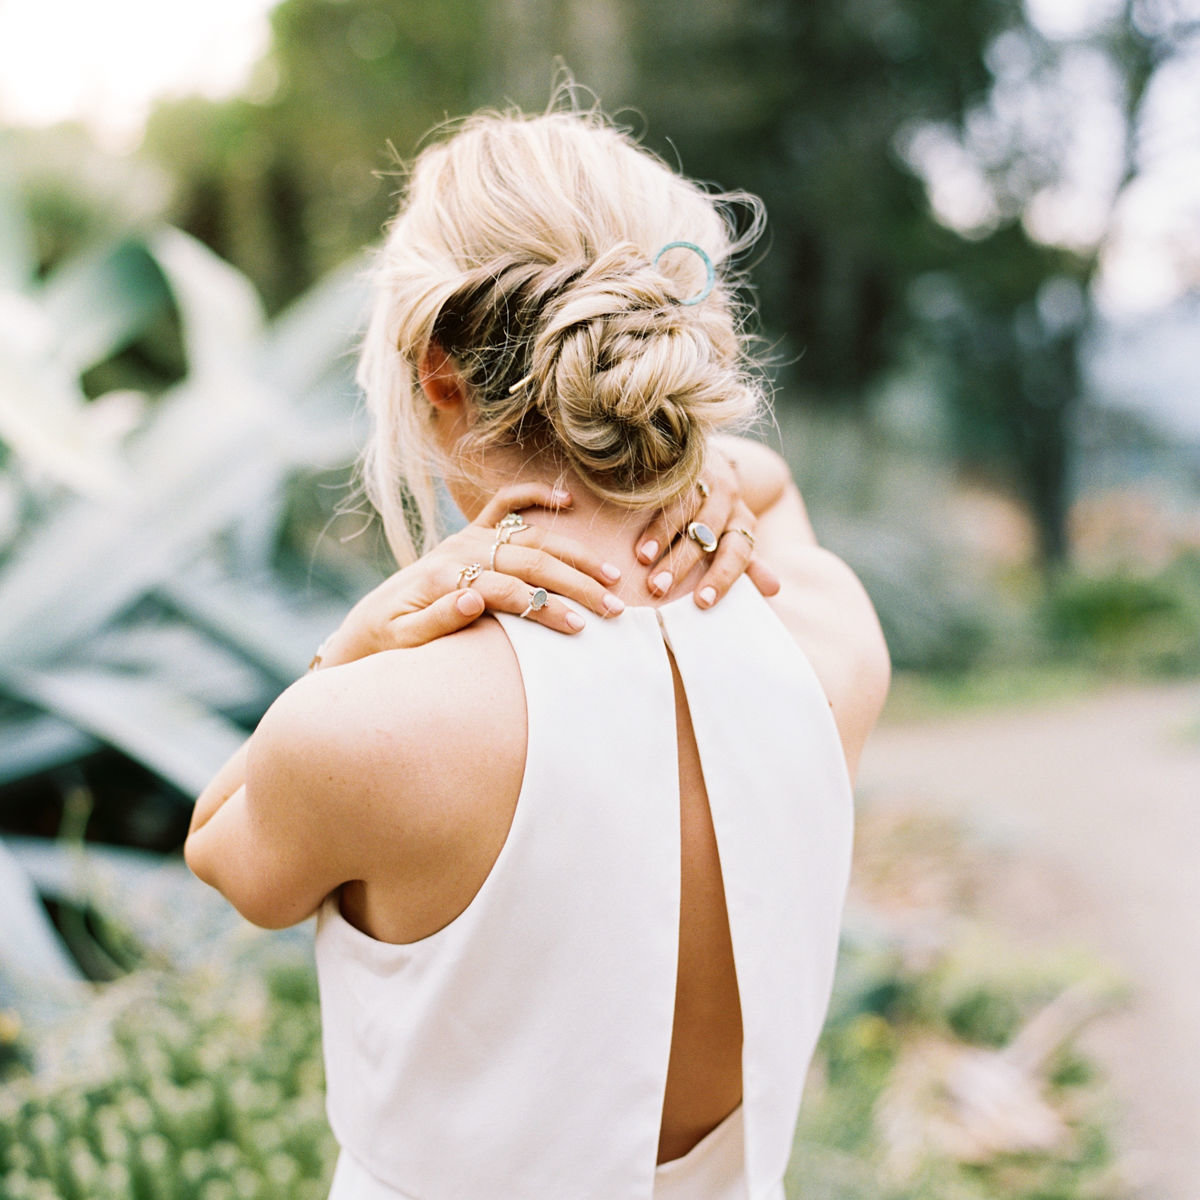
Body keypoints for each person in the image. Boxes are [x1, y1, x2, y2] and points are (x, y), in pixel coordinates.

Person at [186, 102, 890, 1200]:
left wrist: (356, 639)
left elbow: (222, 853)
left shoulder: (370, 725)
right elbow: (772, 489)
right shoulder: (830, 631)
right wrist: (708, 479)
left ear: (436, 376)